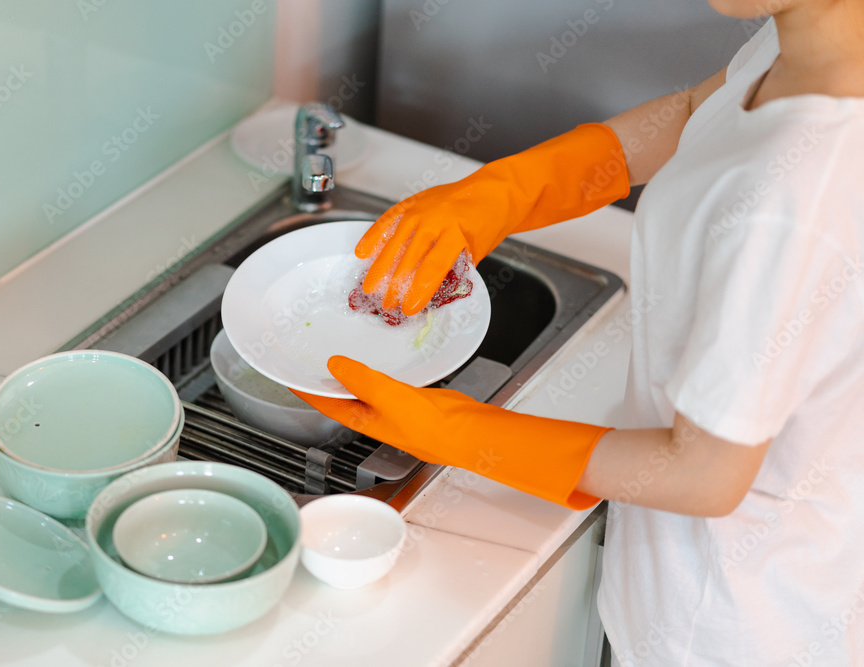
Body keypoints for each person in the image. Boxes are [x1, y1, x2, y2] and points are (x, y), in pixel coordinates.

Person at [293, 0, 864, 664]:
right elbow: (692, 116)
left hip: (727, 627)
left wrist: (452, 430)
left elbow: (704, 471)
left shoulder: (799, 190)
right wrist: (504, 191)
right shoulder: (813, 42)